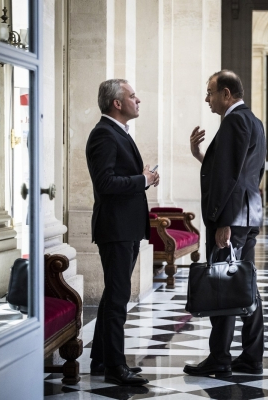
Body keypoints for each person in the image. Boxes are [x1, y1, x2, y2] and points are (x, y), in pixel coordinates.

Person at [185, 70, 266, 377]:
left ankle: (220, 357)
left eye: (210, 92)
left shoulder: (234, 121)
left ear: (227, 94)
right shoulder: (253, 120)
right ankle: (251, 357)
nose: (207, 99)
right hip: (248, 214)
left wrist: (224, 222)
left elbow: (231, 177)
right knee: (245, 287)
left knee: (222, 286)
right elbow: (240, 173)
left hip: (233, 219)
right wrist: (200, 155)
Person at [86, 79, 159, 386]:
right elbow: (105, 183)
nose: (137, 99)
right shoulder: (104, 134)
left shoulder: (118, 132)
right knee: (118, 298)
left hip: (125, 227)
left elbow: (122, 178)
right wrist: (142, 180)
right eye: (132, 96)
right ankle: (116, 366)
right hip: (115, 228)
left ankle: (101, 358)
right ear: (117, 103)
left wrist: (145, 178)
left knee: (114, 295)